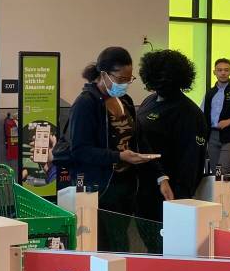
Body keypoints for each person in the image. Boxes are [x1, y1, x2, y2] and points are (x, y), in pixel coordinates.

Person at [66, 47, 164, 252]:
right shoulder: (85, 104)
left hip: (126, 185)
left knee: (119, 238)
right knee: (105, 243)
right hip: (99, 186)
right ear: (103, 74)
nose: (125, 84)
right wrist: (118, 156)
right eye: (120, 78)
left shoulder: (125, 101)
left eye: (129, 79)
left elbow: (138, 138)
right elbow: (79, 150)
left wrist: (160, 175)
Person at [135, 49, 206, 225]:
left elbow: (191, 162)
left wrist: (180, 200)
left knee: (163, 242)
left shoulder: (188, 112)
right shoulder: (149, 101)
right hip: (143, 183)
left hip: (169, 190)